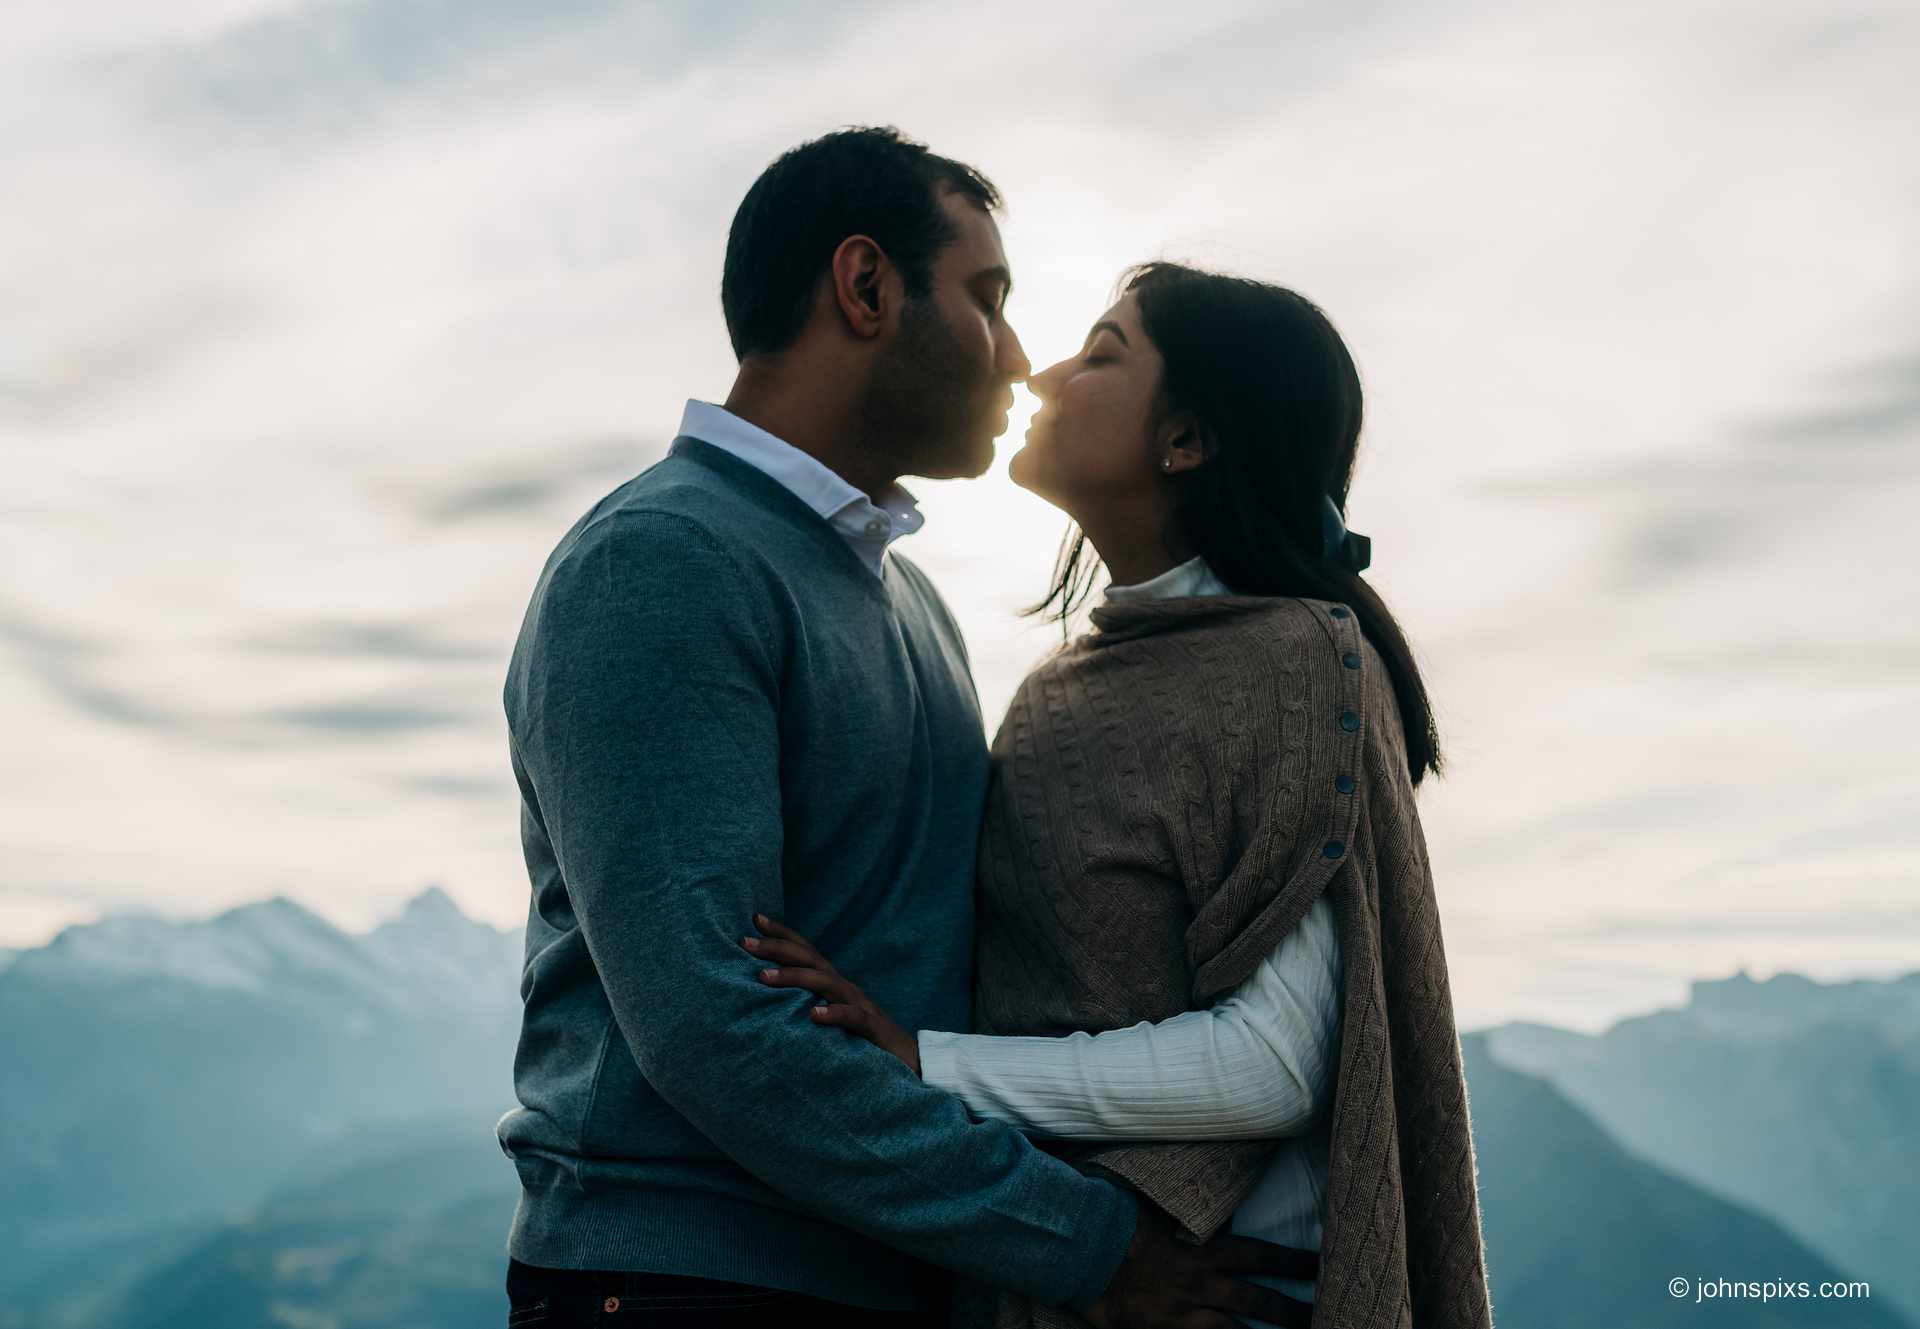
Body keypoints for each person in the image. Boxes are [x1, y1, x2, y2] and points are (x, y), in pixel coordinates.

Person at [496, 128, 1319, 1329]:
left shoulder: (911, 602)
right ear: (868, 286)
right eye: (989, 300)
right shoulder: (662, 563)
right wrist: (1088, 1243)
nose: (1022, 359)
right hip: (692, 1283)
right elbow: (717, 1025)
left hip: (895, 1281)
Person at [743, 263, 1497, 1329]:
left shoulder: (1296, 665)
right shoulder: (1058, 691)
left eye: (1101, 354)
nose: (1046, 376)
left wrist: (925, 1065)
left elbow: (1272, 1064)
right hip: (1066, 1274)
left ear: (1184, 440)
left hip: (1230, 1286)